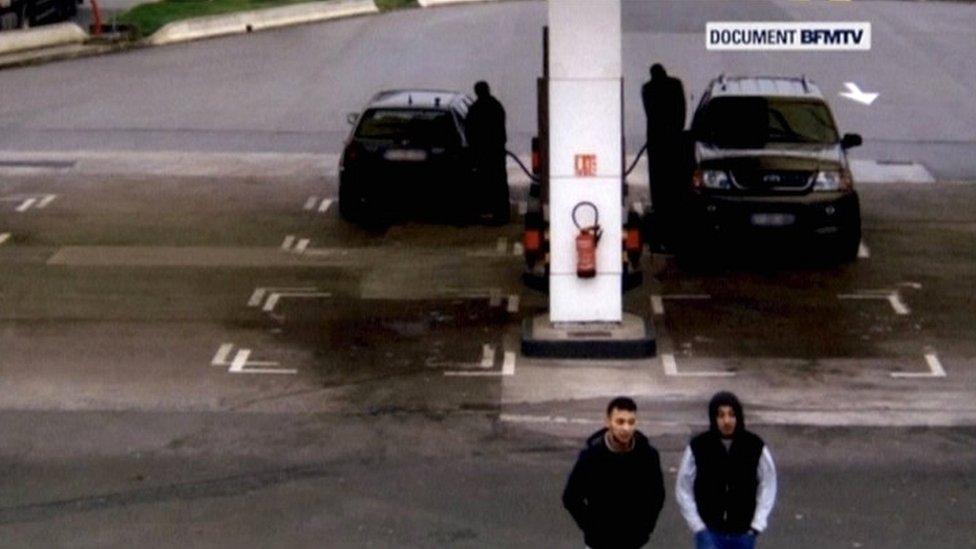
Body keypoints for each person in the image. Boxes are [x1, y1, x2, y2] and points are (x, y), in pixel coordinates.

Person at [676, 391, 777, 549]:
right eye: (721, 415)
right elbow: (683, 487)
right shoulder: (699, 446)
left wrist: (757, 525)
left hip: (743, 534)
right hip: (709, 533)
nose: (727, 421)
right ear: (713, 418)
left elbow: (768, 484)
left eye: (731, 414)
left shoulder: (754, 446)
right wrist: (697, 526)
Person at [563, 397, 666, 549]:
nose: (626, 428)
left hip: (633, 542)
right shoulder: (592, 456)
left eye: (631, 422)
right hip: (599, 543)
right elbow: (571, 497)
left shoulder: (647, 455)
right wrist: (592, 528)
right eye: (620, 421)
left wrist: (645, 529)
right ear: (608, 422)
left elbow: (656, 496)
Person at [641, 64, 687, 248]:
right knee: (673, 182)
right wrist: (677, 129)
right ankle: (671, 217)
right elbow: (681, 110)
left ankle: (662, 217)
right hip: (673, 139)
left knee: (659, 183)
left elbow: (650, 113)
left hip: (656, 140)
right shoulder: (675, 85)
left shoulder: (648, 89)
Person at [465, 80, 510, 224]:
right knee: (499, 183)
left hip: (481, 153)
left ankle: (482, 213)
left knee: (482, 183)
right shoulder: (496, 106)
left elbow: (469, 132)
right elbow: (501, 129)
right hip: (496, 152)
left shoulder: (474, 109)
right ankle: (501, 214)